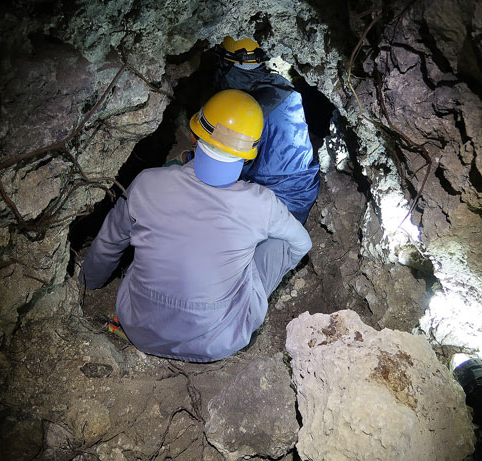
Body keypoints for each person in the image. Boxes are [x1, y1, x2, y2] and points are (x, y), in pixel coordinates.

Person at [82, 89, 312, 362]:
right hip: (217, 342)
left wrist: (89, 283)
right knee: (275, 240)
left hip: (140, 327)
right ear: (250, 154)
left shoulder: (147, 183)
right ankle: (240, 300)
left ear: (193, 135)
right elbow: (302, 243)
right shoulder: (262, 204)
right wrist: (250, 276)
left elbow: (109, 241)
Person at [212, 36, 320, 223]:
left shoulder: (243, 108)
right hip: (303, 192)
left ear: (226, 63)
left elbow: (228, 166)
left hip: (275, 205)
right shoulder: (283, 88)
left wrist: (189, 159)